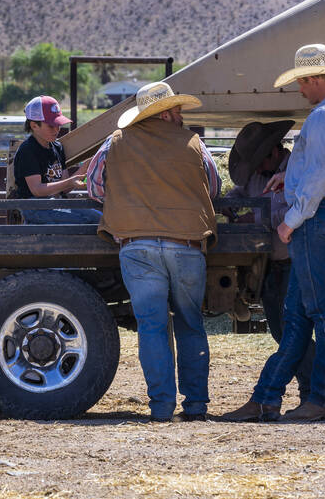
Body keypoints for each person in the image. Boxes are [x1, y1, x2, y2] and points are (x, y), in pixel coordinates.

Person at [224, 43, 325, 422]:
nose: (301, 92)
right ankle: (268, 396)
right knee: (299, 315)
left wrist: (292, 218)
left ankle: (321, 397)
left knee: (320, 313)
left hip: (314, 220)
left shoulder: (321, 119)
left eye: (302, 84)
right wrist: (290, 177)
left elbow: (319, 176)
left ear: (314, 79)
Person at [88, 81, 220, 422]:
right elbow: (214, 185)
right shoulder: (194, 143)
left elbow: (95, 186)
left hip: (137, 243)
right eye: (174, 110)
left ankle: (161, 407)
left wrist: (129, 200)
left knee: (152, 327)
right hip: (188, 243)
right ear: (162, 114)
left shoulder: (114, 143)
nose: (179, 115)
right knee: (190, 324)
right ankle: (196, 407)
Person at [225, 120, 314, 402]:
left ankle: (311, 386)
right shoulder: (258, 174)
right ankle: (311, 387)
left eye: (259, 161)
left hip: (292, 260)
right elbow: (240, 194)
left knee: (290, 330)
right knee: (280, 329)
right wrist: (227, 203)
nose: (257, 169)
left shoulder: (296, 171)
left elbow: (284, 214)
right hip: (269, 263)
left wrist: (252, 218)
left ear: (274, 152)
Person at [12, 95, 100, 224]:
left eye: (58, 125)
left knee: (99, 219)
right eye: (51, 126)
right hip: (35, 208)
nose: (57, 130)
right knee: (85, 221)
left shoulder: (57, 147)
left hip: (56, 203)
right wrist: (70, 182)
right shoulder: (28, 150)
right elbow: (37, 190)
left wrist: (86, 166)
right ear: (34, 125)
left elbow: (64, 188)